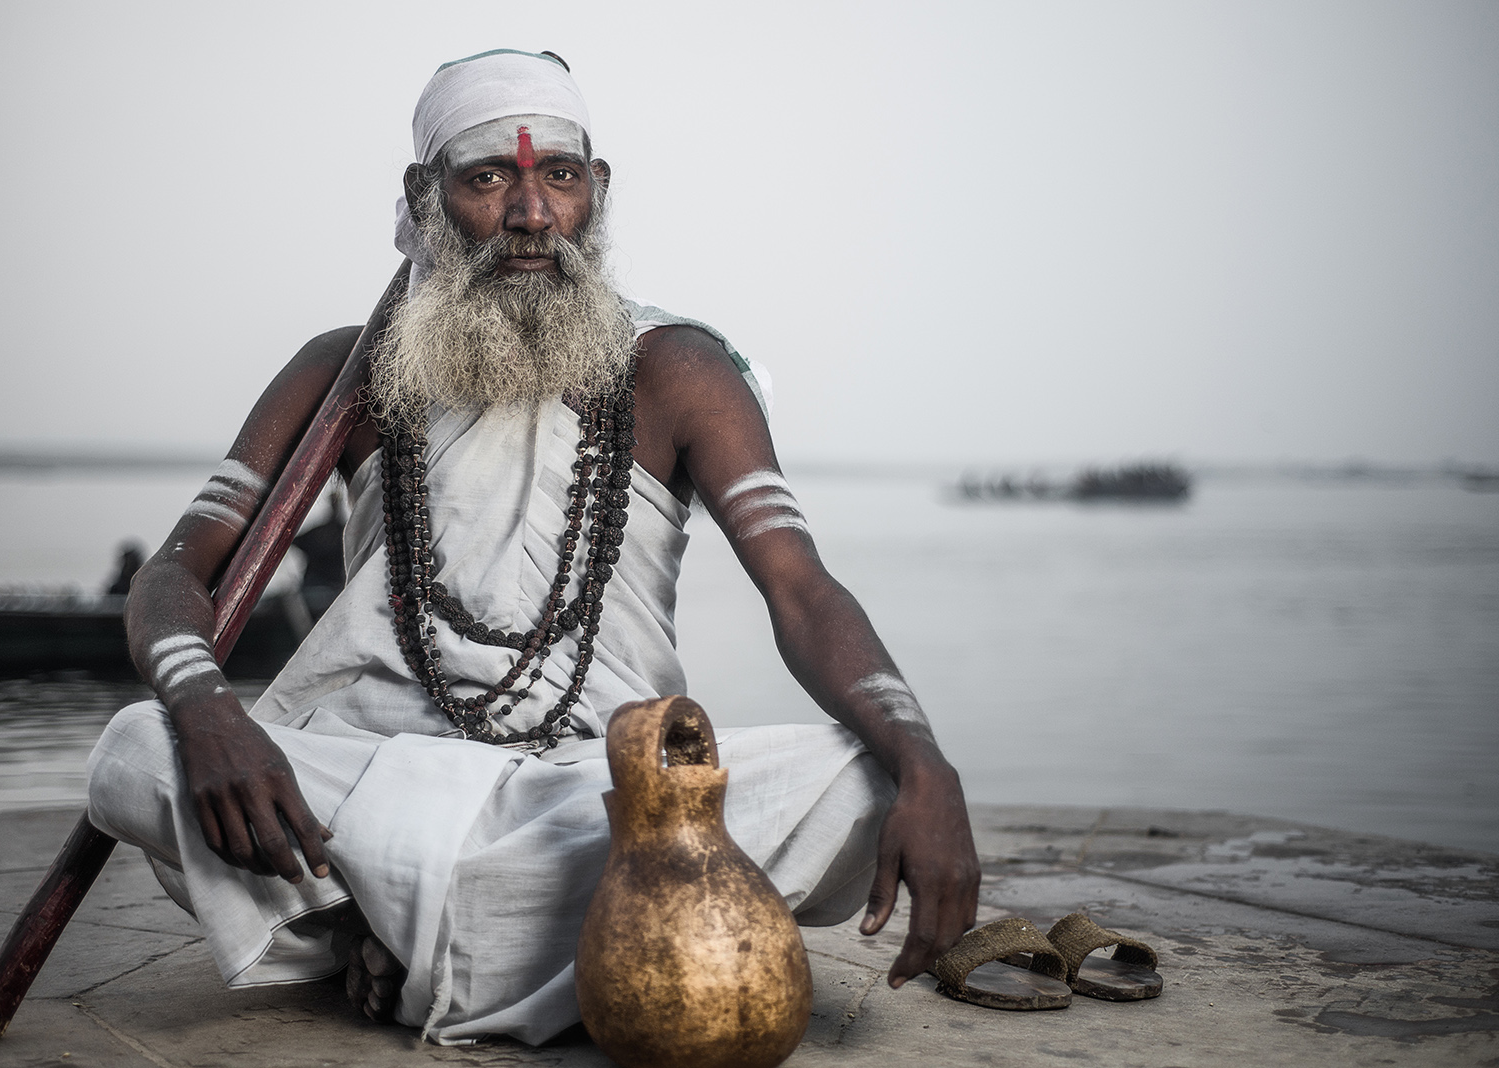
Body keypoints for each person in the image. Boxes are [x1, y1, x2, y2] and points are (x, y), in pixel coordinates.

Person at [87, 48, 979, 1045]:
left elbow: (802, 593)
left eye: (559, 175)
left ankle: (382, 936)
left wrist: (924, 760)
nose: (531, 214)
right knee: (138, 752)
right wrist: (209, 712)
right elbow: (176, 574)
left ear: (597, 193)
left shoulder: (676, 370)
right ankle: (568, 943)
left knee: (854, 776)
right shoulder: (344, 374)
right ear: (423, 199)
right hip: (372, 775)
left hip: (599, 791)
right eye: (487, 178)